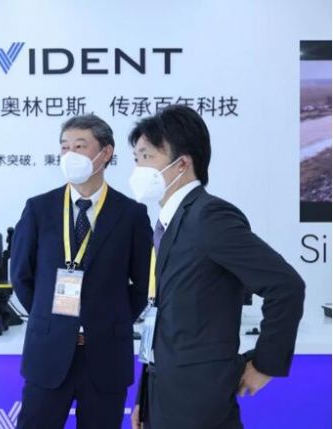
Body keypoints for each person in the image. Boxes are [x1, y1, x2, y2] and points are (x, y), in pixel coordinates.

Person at [128, 105, 305, 429]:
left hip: (200, 402)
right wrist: (145, 397)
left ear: (182, 163)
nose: (139, 168)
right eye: (136, 158)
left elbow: (285, 286)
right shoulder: (167, 223)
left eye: (147, 157)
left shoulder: (209, 217)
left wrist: (265, 363)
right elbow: (160, 317)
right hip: (163, 393)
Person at [11, 114, 152, 428]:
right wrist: (52, 319)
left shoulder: (131, 214)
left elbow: (145, 283)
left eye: (79, 146)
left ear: (105, 153)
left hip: (105, 355)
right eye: (65, 147)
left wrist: (110, 318)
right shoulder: (39, 209)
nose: (69, 154)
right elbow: (21, 275)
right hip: (49, 353)